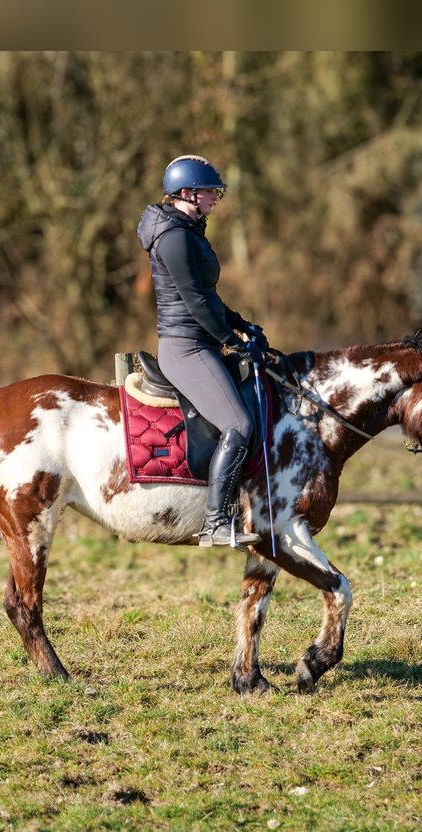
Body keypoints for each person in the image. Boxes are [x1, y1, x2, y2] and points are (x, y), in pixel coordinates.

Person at [136, 155, 268, 548]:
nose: (215, 198)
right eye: (211, 191)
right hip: (186, 347)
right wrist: (230, 338)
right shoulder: (175, 237)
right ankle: (215, 522)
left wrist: (241, 324)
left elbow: (208, 296)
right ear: (189, 193)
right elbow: (194, 302)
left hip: (200, 340)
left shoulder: (188, 229)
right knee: (239, 425)